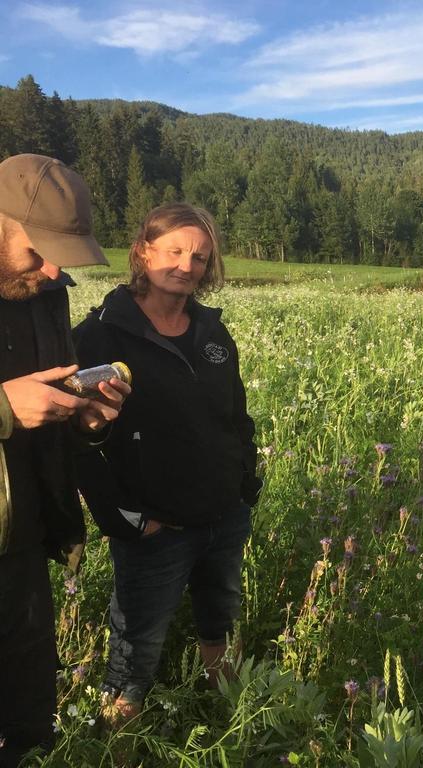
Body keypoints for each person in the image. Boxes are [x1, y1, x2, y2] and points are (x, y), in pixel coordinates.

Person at [73, 203, 261, 723]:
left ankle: (228, 723)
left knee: (220, 625)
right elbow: (78, 443)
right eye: (174, 251)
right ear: (142, 252)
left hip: (224, 517)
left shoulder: (212, 333)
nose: (187, 265)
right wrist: (125, 520)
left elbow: (236, 415)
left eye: (199, 257)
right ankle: (120, 745)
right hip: (154, 530)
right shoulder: (100, 335)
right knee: (135, 652)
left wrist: (246, 484)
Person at [0, 153, 129, 767]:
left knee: (29, 720)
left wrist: (89, 421)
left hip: (23, 540)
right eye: (41, 251)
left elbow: (51, 419)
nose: (54, 270)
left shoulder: (43, 292)